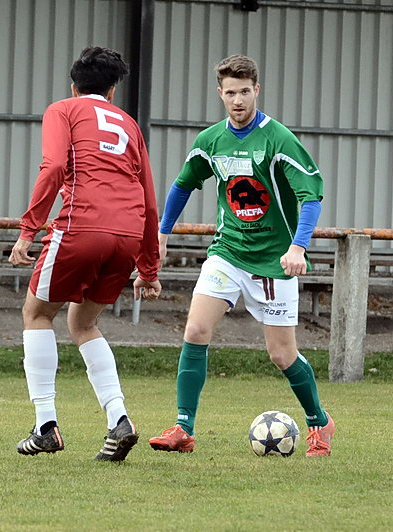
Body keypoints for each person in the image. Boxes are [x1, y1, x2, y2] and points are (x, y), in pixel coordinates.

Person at [148, 55, 334, 457]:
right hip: (228, 252)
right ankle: (183, 427)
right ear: (220, 93)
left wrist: (298, 246)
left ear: (256, 90)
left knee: (281, 355)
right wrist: (162, 234)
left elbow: (311, 196)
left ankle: (320, 422)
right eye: (230, 93)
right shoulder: (210, 141)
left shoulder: (278, 139)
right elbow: (182, 185)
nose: (237, 100)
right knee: (196, 330)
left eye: (245, 92)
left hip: (274, 261)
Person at [9, 46, 161, 462]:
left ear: (73, 86)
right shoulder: (129, 124)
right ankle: (119, 419)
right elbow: (149, 199)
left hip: (82, 225)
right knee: (83, 322)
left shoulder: (63, 110)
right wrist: (148, 267)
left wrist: (28, 230)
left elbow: (54, 167)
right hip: (127, 234)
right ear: (112, 92)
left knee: (37, 314)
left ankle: (45, 426)